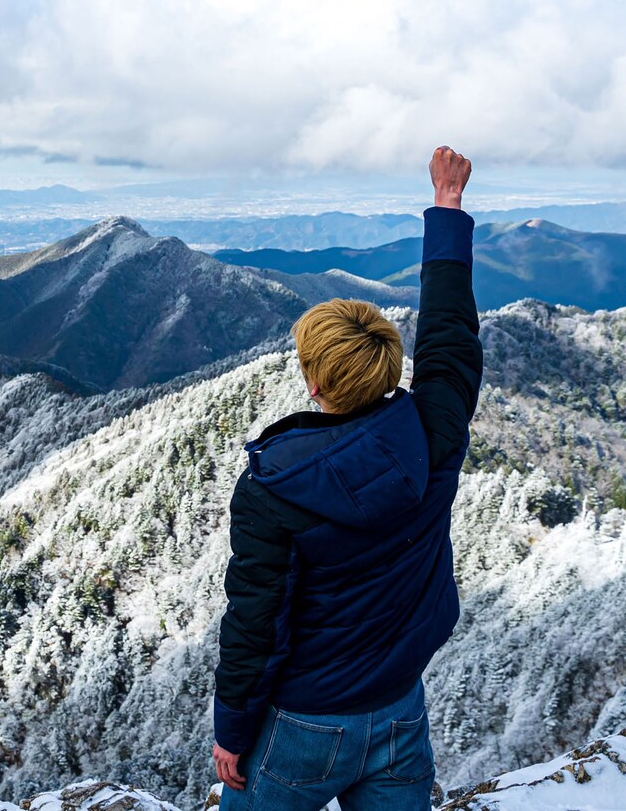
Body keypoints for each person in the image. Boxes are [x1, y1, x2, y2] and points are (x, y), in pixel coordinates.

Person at [213, 146, 482, 811]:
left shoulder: (273, 489)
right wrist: (446, 206)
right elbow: (451, 337)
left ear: (312, 381)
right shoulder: (433, 433)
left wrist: (233, 728)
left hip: (305, 724)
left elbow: (255, 620)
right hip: (398, 707)